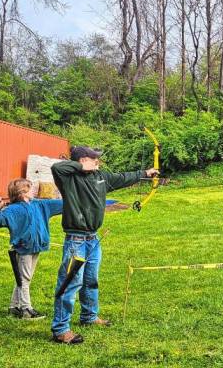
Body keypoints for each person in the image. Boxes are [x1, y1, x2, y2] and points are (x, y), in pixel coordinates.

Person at [50, 146, 158, 345]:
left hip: (93, 238)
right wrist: (81, 166)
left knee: (91, 279)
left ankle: (89, 316)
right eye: (93, 159)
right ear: (82, 160)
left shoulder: (100, 177)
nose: (97, 162)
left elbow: (121, 177)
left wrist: (145, 173)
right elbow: (57, 167)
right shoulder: (68, 179)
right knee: (70, 283)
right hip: (76, 239)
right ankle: (60, 329)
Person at [0, 179, 63, 320]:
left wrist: (79, 199)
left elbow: (64, 205)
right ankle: (26, 310)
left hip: (37, 247)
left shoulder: (40, 205)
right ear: (22, 193)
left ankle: (14, 307)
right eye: (31, 189)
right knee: (24, 279)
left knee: (22, 278)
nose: (34, 191)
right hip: (24, 248)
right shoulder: (13, 209)